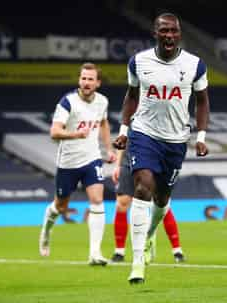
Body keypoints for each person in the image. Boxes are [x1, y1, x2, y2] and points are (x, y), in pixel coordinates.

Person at [113, 12, 210, 284]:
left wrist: (201, 135)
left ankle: (149, 233)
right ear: (155, 33)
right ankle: (137, 262)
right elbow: (131, 96)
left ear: (180, 34)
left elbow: (202, 102)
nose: (169, 35)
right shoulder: (138, 62)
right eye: (164, 31)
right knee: (143, 187)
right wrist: (123, 131)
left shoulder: (195, 65)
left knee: (162, 199)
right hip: (144, 133)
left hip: (177, 140)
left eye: (174, 31)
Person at [39, 62, 116, 266]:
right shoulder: (68, 102)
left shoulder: (102, 102)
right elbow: (54, 132)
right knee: (60, 206)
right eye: (83, 78)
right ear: (79, 80)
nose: (86, 82)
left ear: (98, 83)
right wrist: (75, 134)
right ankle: (47, 230)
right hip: (68, 162)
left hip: (91, 158)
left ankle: (95, 253)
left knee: (97, 199)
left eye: (90, 79)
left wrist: (109, 149)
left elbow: (104, 123)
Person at [111, 148, 186, 263]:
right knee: (122, 202)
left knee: (161, 202)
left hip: (154, 154)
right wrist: (118, 165)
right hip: (130, 157)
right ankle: (119, 251)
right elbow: (124, 132)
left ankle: (177, 250)